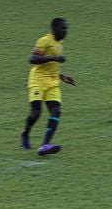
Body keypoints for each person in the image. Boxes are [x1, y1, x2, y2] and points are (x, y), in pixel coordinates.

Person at [21, 17, 74, 156]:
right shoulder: (44, 41)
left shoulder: (60, 43)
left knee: (56, 111)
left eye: (66, 28)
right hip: (37, 80)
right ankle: (25, 133)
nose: (66, 31)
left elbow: (53, 67)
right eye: (64, 28)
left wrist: (63, 77)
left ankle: (45, 145)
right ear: (55, 29)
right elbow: (32, 59)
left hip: (53, 83)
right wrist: (53, 58)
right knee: (36, 113)